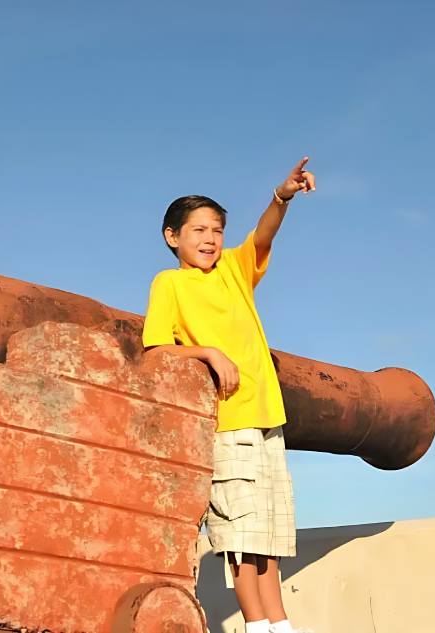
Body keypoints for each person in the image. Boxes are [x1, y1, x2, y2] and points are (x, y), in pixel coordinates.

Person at [141, 158, 317, 633]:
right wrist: (208, 352)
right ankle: (256, 625)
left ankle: (280, 624)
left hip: (266, 419)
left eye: (217, 230)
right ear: (172, 237)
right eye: (198, 230)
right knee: (241, 538)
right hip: (226, 421)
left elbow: (264, 236)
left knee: (269, 536)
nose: (210, 239)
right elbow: (156, 350)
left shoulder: (234, 271)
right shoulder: (170, 283)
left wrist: (282, 197)